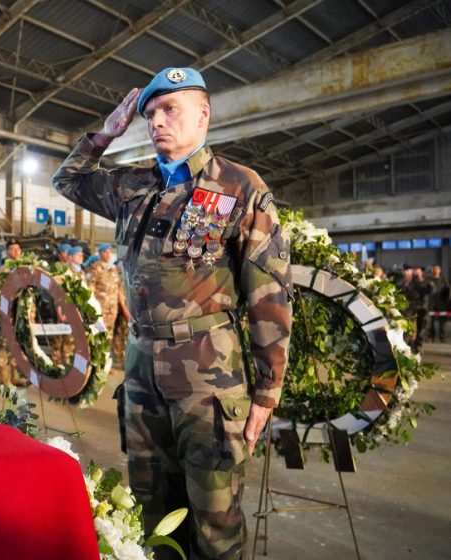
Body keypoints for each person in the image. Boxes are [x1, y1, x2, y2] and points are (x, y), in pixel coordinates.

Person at [52, 67, 293, 559]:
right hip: (142, 371)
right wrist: (104, 134)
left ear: (203, 115)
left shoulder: (239, 187)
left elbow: (268, 292)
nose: (156, 121)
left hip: (209, 374)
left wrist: (268, 391)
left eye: (170, 109)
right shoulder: (130, 185)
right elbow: (68, 179)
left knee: (214, 517)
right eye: (149, 113)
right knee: (150, 511)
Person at [0, 238, 29, 387]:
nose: (15, 251)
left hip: (21, 314)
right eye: (12, 249)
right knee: (3, 345)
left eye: (17, 249)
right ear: (7, 251)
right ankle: (5, 380)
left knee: (19, 345)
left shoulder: (26, 269)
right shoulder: (2, 271)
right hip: (6, 313)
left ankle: (15, 376)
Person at [87, 243, 130, 344]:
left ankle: (106, 356)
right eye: (105, 252)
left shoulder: (113, 270)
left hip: (112, 309)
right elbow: (90, 290)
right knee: (98, 334)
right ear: (100, 254)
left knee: (109, 335)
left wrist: (122, 305)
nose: (108, 254)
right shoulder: (96, 269)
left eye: (109, 252)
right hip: (101, 309)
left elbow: (118, 289)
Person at [428, 264, 449, 342]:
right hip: (431, 303)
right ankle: (431, 337)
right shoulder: (430, 280)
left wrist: (445, 301)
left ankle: (442, 337)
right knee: (430, 322)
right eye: (434, 269)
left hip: (441, 304)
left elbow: (447, 291)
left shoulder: (443, 280)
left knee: (442, 322)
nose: (435, 270)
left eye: (437, 269)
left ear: (440, 270)